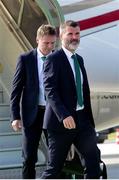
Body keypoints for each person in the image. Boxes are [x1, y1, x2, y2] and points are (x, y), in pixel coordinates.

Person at [41, 20, 101, 179]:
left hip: (82, 121)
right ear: (61, 36)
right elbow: (50, 90)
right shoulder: (53, 59)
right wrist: (64, 115)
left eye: (77, 34)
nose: (74, 37)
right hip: (61, 123)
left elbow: (83, 91)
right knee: (54, 168)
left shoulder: (79, 59)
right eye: (70, 34)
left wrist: (89, 121)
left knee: (94, 161)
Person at [10, 24, 57, 179]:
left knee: (56, 157)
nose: (49, 47)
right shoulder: (25, 59)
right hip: (32, 114)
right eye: (46, 43)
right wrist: (15, 116)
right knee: (29, 157)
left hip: (53, 114)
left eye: (52, 43)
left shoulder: (59, 58)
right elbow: (16, 90)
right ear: (37, 39)